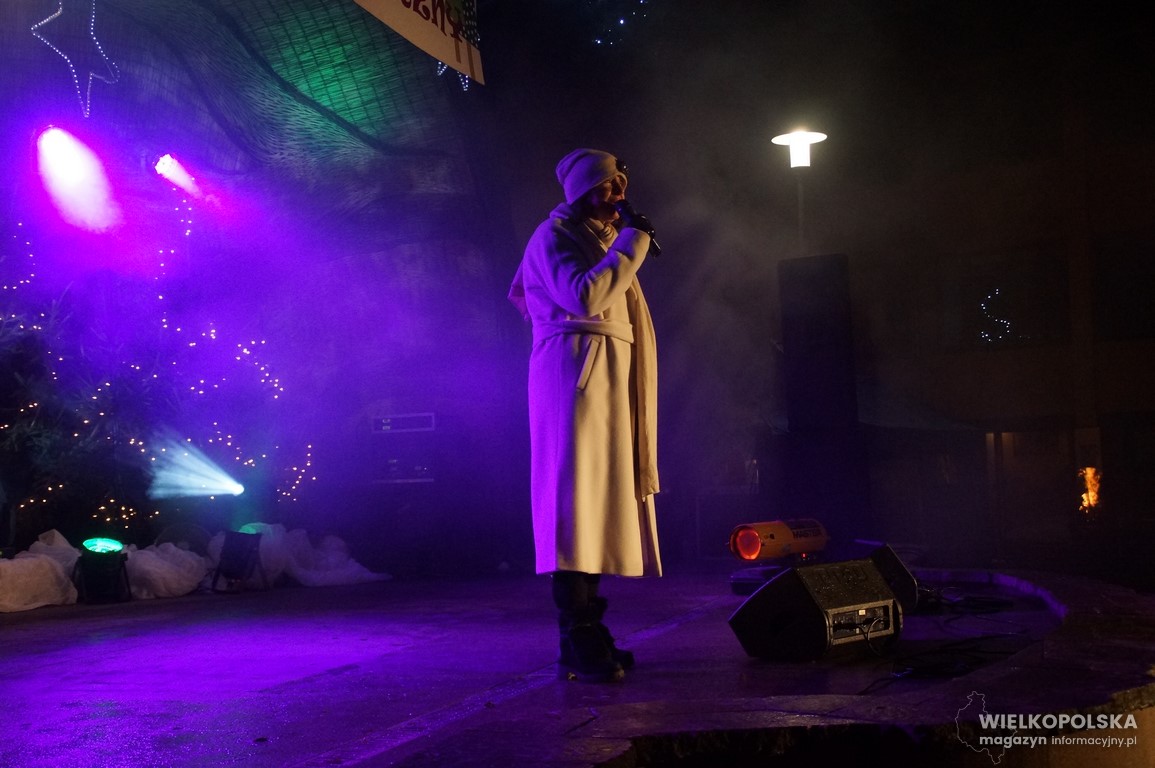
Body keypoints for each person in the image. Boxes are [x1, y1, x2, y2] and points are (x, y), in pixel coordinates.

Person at [508, 148, 662, 682]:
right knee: (572, 505)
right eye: (608, 185)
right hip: (572, 378)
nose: (620, 193)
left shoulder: (599, 237)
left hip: (602, 381)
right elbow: (584, 295)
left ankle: (586, 632)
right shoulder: (551, 237)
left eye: (620, 182)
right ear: (581, 191)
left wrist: (622, 242)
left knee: (596, 507)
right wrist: (633, 242)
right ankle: (577, 633)